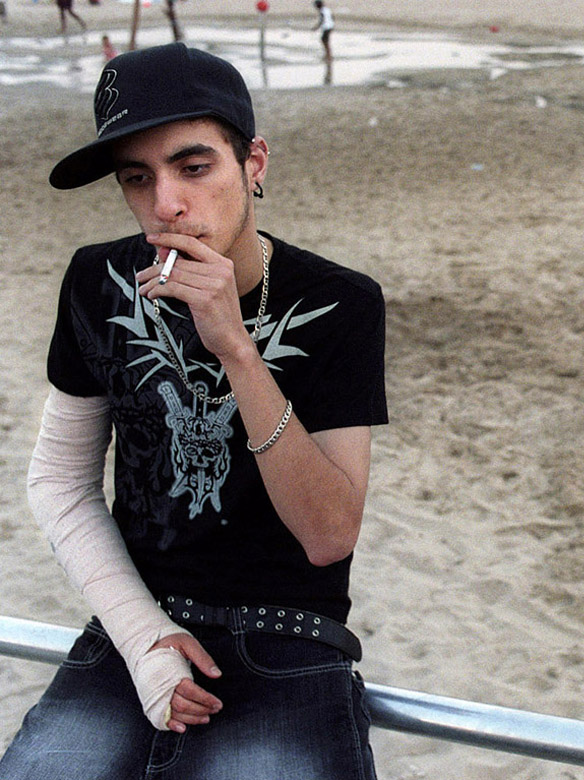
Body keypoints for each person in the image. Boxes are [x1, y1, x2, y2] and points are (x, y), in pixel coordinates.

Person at [0, 42, 386, 779]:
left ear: (254, 163)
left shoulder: (342, 303)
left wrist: (237, 349)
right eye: (136, 177)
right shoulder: (97, 281)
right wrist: (144, 638)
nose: (166, 204)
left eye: (194, 167)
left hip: (289, 637)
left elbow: (328, 535)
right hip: (137, 627)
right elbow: (59, 482)